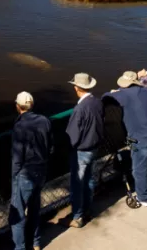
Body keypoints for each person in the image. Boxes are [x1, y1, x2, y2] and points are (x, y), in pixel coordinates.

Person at [104, 71, 147, 207]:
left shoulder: (122, 94)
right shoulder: (145, 91)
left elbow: (105, 97)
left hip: (140, 136)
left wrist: (113, 92)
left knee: (139, 168)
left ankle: (144, 198)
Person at [9, 91, 53, 250]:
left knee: (17, 214)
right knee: (34, 210)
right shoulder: (44, 121)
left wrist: (14, 176)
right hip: (41, 171)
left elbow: (17, 156)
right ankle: (35, 242)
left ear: (17, 106)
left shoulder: (19, 126)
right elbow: (50, 146)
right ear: (32, 105)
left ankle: (19, 247)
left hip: (25, 174)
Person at [64, 73, 103, 228]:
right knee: (89, 180)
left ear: (76, 88)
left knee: (77, 184)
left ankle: (78, 217)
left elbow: (72, 135)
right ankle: (87, 209)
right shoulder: (97, 102)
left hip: (81, 152)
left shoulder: (80, 109)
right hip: (95, 147)